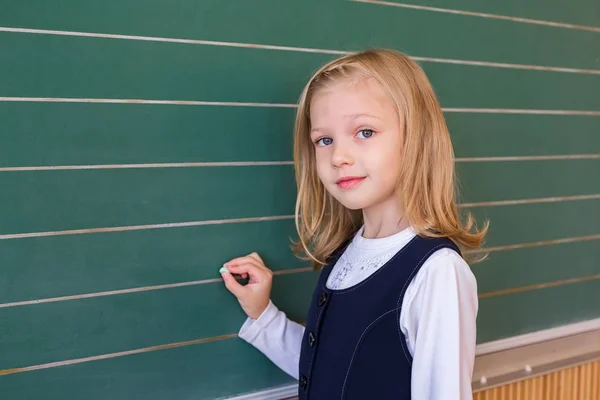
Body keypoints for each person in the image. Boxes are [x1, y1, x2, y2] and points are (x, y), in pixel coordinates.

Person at [219, 48, 488, 399]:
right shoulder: (346, 256)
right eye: (324, 140)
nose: (339, 157)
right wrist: (263, 315)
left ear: (416, 138)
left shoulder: (437, 271)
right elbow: (331, 369)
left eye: (364, 132)